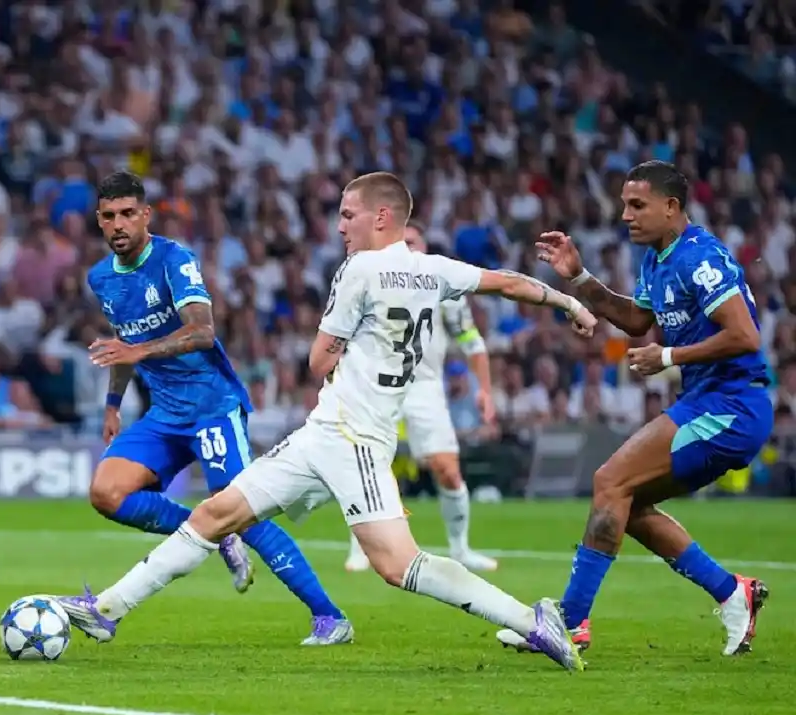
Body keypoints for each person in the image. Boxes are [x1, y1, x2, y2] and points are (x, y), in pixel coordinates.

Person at [58, 172, 595, 670]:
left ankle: (532, 620)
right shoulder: (435, 269)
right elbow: (508, 283)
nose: (340, 226)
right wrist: (570, 305)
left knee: (397, 565)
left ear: (382, 217)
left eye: (348, 215)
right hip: (325, 432)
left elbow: (318, 360)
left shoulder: (360, 268)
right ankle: (106, 610)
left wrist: (346, 351)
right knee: (215, 515)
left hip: (354, 439)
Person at [499, 160, 770, 656]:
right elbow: (635, 320)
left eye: (637, 205)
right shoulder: (659, 258)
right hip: (711, 402)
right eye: (624, 204)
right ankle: (734, 594)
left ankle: (571, 621)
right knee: (626, 502)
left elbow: (745, 336)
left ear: (672, 208)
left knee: (609, 481)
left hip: (732, 405)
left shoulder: (698, 257)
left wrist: (669, 357)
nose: (625, 215)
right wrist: (578, 276)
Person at [82, 171, 352, 645]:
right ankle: (215, 535)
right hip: (165, 414)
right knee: (106, 493)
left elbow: (202, 332)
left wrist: (137, 353)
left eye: (128, 213)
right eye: (109, 216)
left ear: (146, 215)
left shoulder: (173, 260)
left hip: (212, 407)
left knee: (246, 510)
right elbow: (124, 344)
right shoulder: (101, 278)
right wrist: (112, 404)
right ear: (99, 222)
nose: (119, 224)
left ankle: (330, 617)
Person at [345, 220, 498, 574]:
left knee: (447, 470)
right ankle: (361, 549)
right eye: (402, 243)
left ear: (425, 248)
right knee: (371, 468)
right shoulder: (373, 286)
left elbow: (472, 343)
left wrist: (485, 390)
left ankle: (461, 549)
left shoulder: (444, 292)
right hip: (380, 389)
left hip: (426, 390)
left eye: (413, 242)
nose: (408, 249)